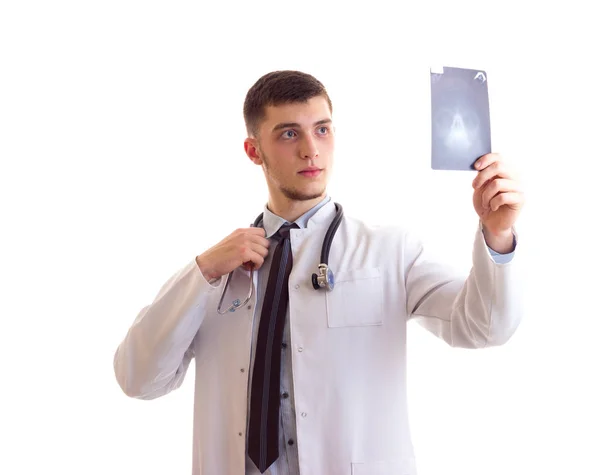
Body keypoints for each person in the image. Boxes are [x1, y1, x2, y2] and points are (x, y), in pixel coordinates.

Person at [113, 70, 524, 475]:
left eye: (323, 130)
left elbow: (485, 327)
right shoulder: (218, 272)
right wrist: (201, 271)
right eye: (289, 133)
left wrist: (498, 233)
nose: (311, 150)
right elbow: (139, 378)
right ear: (254, 151)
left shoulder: (389, 251)